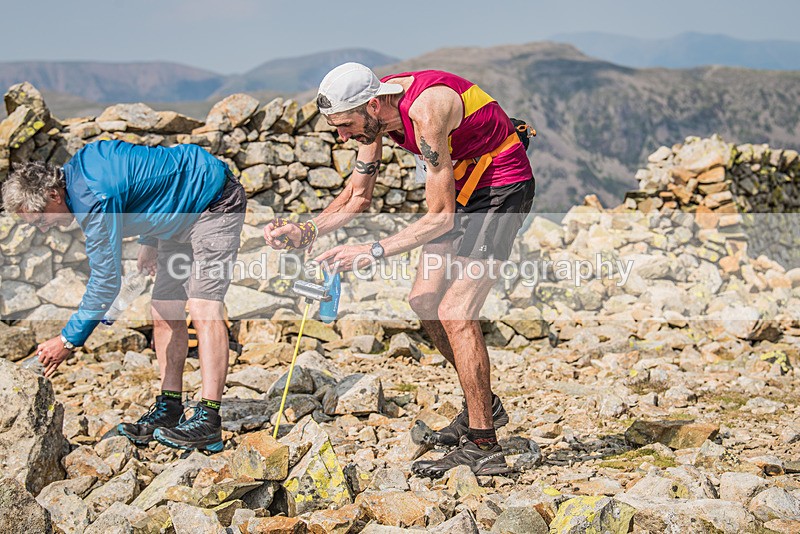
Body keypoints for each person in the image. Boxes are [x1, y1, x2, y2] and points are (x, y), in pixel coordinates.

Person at [263, 63, 535, 477]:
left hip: (500, 186)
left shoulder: (426, 111)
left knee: (457, 312)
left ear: (373, 105)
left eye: (345, 126)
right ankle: (484, 405)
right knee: (424, 299)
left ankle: (484, 446)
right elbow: (357, 195)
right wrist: (306, 229)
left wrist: (370, 250)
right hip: (458, 188)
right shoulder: (374, 120)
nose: (342, 136)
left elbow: (440, 219)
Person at [2, 140, 246, 453]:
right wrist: (150, 239)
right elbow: (149, 181)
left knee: (203, 305)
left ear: (53, 194)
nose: (44, 229)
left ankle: (209, 420)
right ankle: (169, 409)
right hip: (178, 216)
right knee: (162, 308)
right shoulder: (81, 168)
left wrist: (67, 341)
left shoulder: (94, 199)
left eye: (40, 219)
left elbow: (106, 283)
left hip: (213, 200)